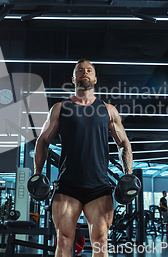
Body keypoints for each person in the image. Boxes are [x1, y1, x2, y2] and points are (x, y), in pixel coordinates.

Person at [33, 58, 133, 257]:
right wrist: (37, 174)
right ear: (74, 78)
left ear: (95, 79)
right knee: (63, 240)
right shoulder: (60, 109)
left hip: (99, 188)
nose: (84, 73)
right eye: (80, 70)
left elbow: (124, 144)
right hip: (67, 187)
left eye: (89, 70)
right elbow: (43, 141)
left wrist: (127, 175)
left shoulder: (108, 110)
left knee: (101, 242)